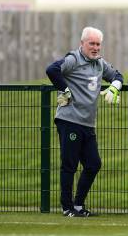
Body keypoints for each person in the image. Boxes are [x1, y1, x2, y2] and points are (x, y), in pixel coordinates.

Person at [46, 26, 123, 217]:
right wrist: (65, 90)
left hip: (88, 123)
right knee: (69, 165)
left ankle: (79, 206)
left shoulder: (99, 64)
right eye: (92, 43)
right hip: (69, 119)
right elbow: (52, 70)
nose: (95, 47)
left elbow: (118, 75)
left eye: (98, 44)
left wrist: (114, 87)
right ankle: (67, 208)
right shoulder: (74, 59)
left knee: (93, 164)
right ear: (82, 43)